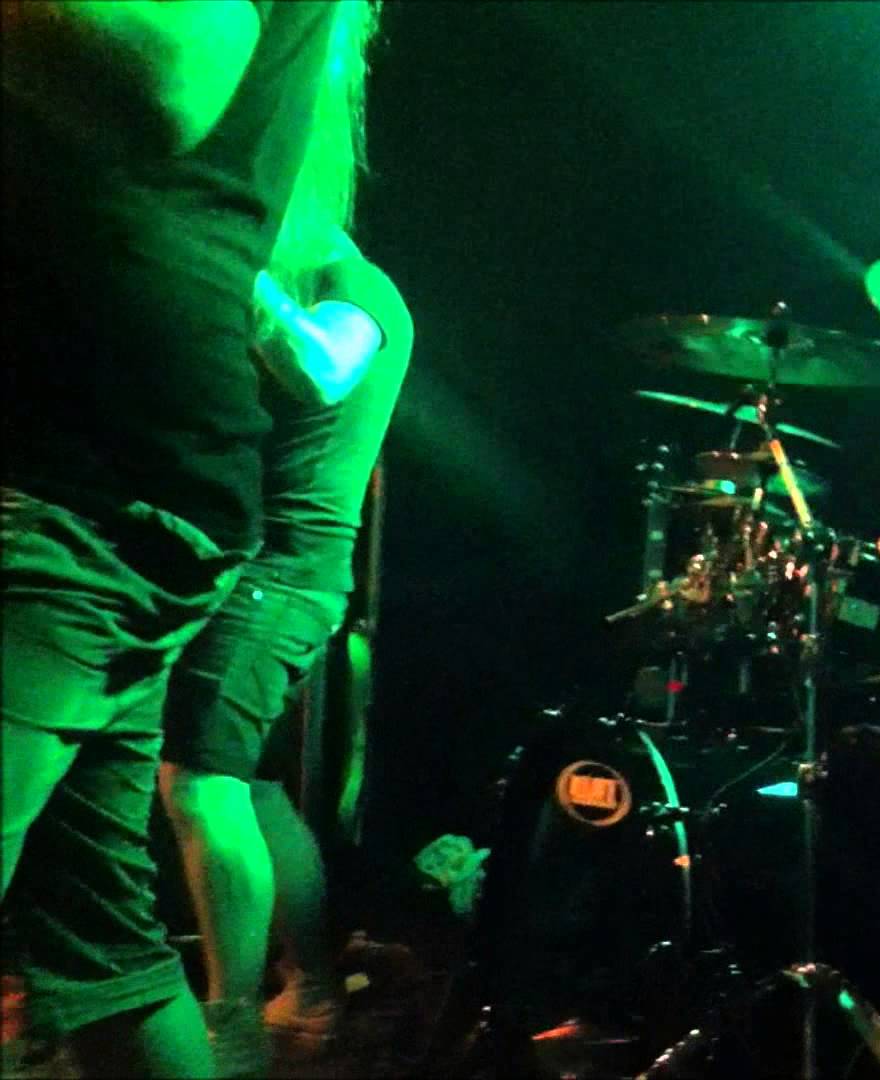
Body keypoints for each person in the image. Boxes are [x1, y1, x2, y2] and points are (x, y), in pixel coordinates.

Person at [2, 3, 341, 1074]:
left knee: (207, 782)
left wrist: (284, 316)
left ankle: (265, 1001)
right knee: (102, 949)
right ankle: (248, 1010)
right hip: (131, 489)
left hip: (97, 487)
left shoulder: (359, 289)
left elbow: (175, 68)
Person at [152, 4, 407, 1074]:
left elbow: (320, 367)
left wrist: (230, 259)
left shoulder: (354, 288)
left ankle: (229, 1028)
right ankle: (313, 990)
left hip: (284, 575)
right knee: (245, 785)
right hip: (262, 571)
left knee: (197, 784)